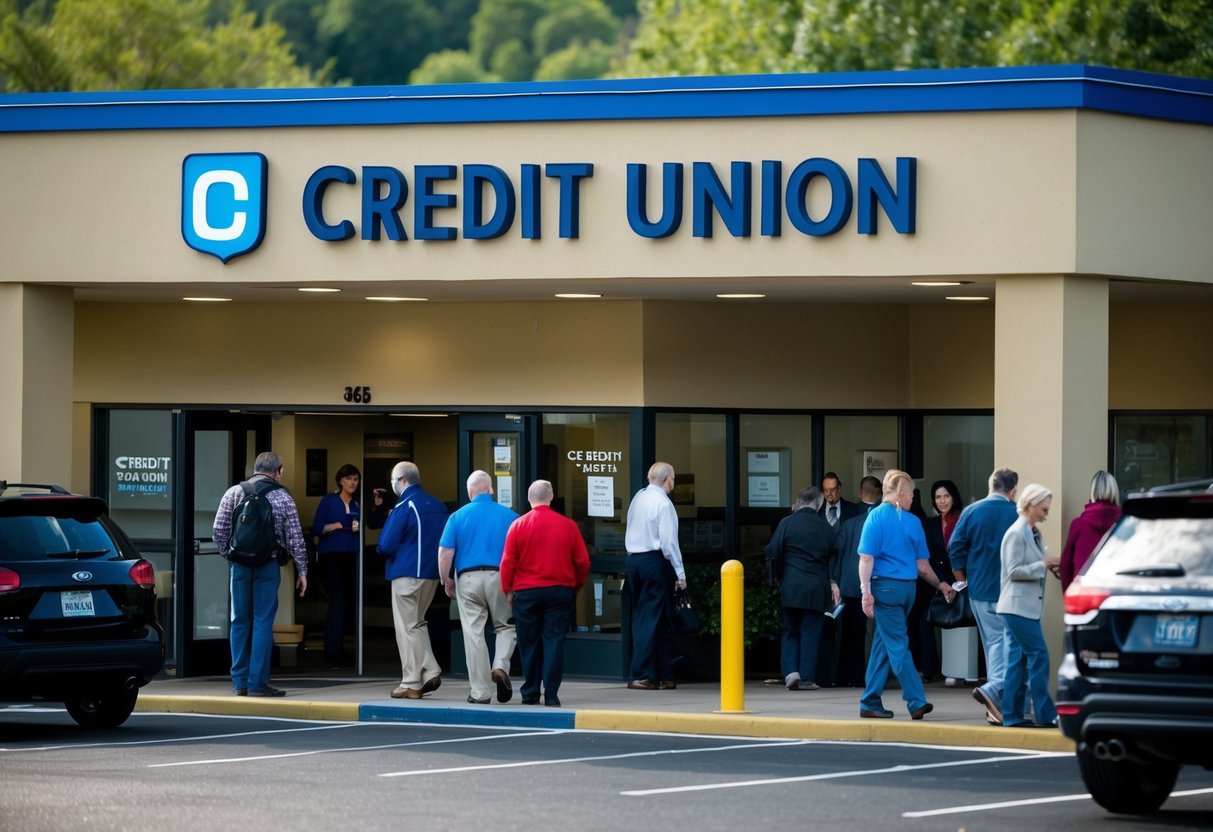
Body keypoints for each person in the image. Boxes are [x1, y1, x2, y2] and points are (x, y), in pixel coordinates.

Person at [857, 469, 956, 720]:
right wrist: (941, 584)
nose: (913, 498)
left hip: (885, 589)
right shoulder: (913, 522)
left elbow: (866, 558)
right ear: (901, 493)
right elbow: (923, 566)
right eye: (911, 493)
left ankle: (870, 701)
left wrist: (865, 591)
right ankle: (915, 700)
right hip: (906, 590)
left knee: (887, 643)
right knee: (895, 643)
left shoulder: (875, 518)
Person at [212, 452, 308, 697]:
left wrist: (231, 555)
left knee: (239, 621)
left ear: (255, 469)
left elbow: (219, 531)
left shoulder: (234, 492)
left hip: (240, 567)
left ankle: (239, 682)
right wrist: (302, 570)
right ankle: (257, 683)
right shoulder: (283, 497)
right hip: (268, 565)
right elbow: (295, 537)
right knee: (263, 621)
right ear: (279, 471)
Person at [499, 480, 590, 707]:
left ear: (530, 499)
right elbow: (582, 562)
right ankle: (551, 694)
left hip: (526, 591)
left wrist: (507, 590)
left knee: (528, 642)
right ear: (551, 497)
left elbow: (507, 562)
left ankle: (530, 691)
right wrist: (574, 586)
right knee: (554, 641)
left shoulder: (518, 525)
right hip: (559, 591)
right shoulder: (568, 526)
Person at [438, 470, 519, 705]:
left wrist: (446, 580)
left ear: (469, 492)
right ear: (491, 489)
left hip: (468, 578)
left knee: (473, 634)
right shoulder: (511, 516)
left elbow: (445, 552)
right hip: (500, 576)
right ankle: (501, 666)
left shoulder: (457, 516)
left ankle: (480, 692)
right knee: (505, 626)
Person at [948, 467, 1019, 725]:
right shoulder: (1017, 512)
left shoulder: (971, 511)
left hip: (979, 589)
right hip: (1009, 590)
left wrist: (962, 580)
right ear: (1013, 490)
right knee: (1010, 648)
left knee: (993, 646)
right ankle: (996, 697)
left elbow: (954, 547)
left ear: (991, 485)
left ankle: (994, 704)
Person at [376, 461, 449, 700]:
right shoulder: (437, 505)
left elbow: (385, 544)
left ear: (403, 480)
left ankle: (412, 681)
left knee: (406, 628)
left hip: (407, 573)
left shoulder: (405, 505)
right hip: (431, 573)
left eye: (394, 481)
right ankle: (428, 671)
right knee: (417, 624)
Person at [997, 483, 1061, 728]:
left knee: (1017, 661)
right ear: (1031, 504)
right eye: (1044, 508)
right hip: (1016, 607)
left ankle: (1012, 715)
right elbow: (1012, 571)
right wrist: (1043, 565)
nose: (1047, 512)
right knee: (1039, 655)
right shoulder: (1016, 533)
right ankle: (1044, 713)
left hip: (1020, 607)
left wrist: (1049, 567)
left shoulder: (1033, 532)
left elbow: (1031, 566)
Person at [767, 486, 837, 691]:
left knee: (789, 629)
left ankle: (790, 672)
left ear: (798, 502)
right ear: (819, 504)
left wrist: (779, 575)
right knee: (811, 632)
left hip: (791, 584)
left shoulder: (787, 523)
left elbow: (773, 551)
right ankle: (806, 677)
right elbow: (833, 555)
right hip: (816, 586)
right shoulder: (826, 528)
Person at [624, 461, 687, 691]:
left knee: (653, 617)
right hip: (655, 561)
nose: (674, 482)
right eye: (673, 478)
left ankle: (664, 672)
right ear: (668, 479)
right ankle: (643, 674)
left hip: (634, 560)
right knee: (650, 619)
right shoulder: (664, 503)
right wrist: (680, 573)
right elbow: (669, 542)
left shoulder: (638, 498)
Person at [910, 480, 963, 682]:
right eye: (938, 497)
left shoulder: (963, 520)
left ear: (954, 497)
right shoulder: (929, 523)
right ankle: (925, 668)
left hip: (959, 578)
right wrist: (940, 582)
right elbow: (927, 557)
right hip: (933, 579)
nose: (942, 501)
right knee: (920, 619)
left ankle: (967, 669)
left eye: (946, 496)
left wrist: (958, 581)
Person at [832, 475, 881, 687]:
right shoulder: (882, 520)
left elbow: (838, 551)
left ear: (861, 493)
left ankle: (846, 676)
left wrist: (835, 581)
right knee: (873, 635)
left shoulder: (849, 522)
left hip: (849, 586)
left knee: (849, 634)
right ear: (879, 493)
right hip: (875, 584)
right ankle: (866, 677)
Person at [310, 463, 361, 667]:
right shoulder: (329, 501)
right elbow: (316, 527)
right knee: (337, 603)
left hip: (352, 555)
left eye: (356, 479)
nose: (353, 483)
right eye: (349, 479)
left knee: (347, 604)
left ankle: (340, 648)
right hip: (332, 557)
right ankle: (332, 651)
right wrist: (336, 526)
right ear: (340, 480)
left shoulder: (357, 503)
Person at [1059, 470, 1121, 591]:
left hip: (1084, 593)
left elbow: (1065, 565)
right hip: (1115, 593)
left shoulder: (1079, 524)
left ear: (1092, 492)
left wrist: (1069, 595)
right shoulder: (1124, 525)